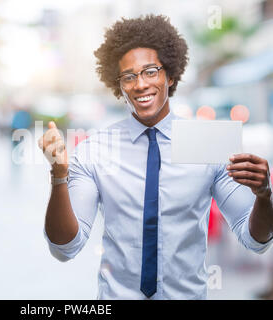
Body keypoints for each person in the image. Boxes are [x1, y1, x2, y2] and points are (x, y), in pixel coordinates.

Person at [37, 15, 273, 300]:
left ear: (170, 75)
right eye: (129, 76)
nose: (140, 84)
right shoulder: (96, 150)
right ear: (119, 85)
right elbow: (65, 247)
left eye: (151, 71)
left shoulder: (207, 142)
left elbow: (256, 239)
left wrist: (263, 195)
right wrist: (58, 175)